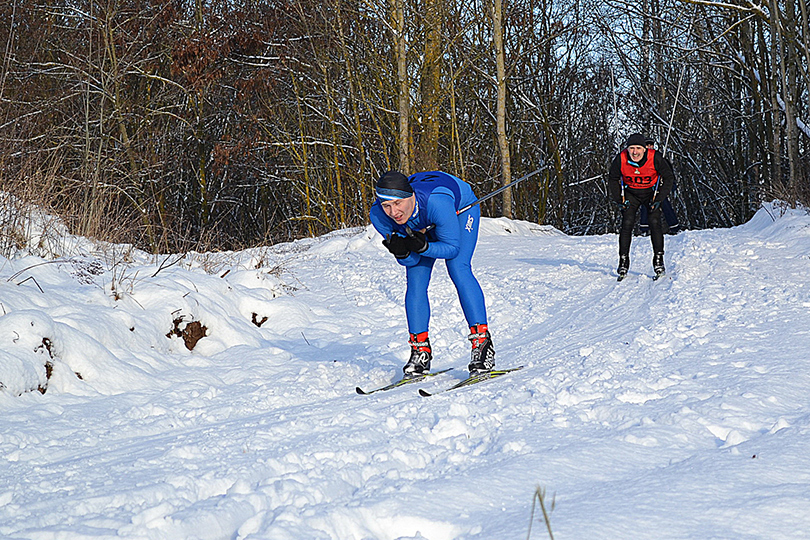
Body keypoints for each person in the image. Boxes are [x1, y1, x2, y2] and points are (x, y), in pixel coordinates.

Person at [369, 170, 495, 376]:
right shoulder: (379, 216)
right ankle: (420, 351)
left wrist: (423, 246)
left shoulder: (437, 202)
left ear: (410, 196)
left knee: (458, 268)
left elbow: (452, 248)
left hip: (460, 209)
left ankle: (482, 344)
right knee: (416, 278)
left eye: (398, 203)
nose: (393, 212)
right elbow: (411, 261)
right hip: (425, 221)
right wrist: (402, 252)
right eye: (387, 205)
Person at [608, 133, 675, 278]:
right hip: (631, 193)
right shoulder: (621, 159)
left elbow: (669, 177)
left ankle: (658, 259)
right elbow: (612, 179)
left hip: (651, 192)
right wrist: (619, 201)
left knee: (654, 221)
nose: (635, 152)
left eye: (638, 148)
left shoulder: (655, 157)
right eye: (631, 148)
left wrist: (660, 198)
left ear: (644, 149)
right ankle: (623, 261)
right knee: (627, 222)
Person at [639, 137, 680, 235]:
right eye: (647, 145)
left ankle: (674, 227)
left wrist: (672, 185)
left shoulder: (660, 158)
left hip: (659, 187)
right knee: (645, 206)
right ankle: (644, 229)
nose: (650, 147)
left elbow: (669, 173)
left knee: (665, 205)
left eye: (651, 145)